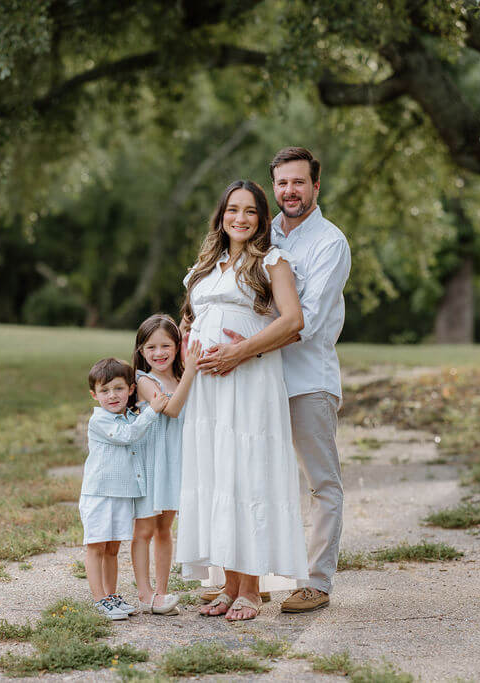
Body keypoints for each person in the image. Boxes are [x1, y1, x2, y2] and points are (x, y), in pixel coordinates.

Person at [196, 147, 351, 613]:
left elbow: (307, 320)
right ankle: (248, 577)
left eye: (299, 182)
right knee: (248, 475)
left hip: (305, 378)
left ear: (316, 186)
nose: (290, 191)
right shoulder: (262, 235)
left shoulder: (330, 243)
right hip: (255, 381)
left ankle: (315, 582)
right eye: (282, 183)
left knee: (320, 482)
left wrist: (239, 350)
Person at [176, 179, 309, 622]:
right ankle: (228, 585)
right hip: (207, 387)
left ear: (262, 219)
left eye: (250, 211)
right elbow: (191, 317)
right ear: (221, 215)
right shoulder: (205, 265)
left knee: (246, 472)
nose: (240, 218)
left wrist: (239, 351)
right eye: (233, 209)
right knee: (217, 474)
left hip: (248, 379)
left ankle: (250, 589)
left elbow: (293, 321)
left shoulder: (272, 261)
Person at [80, 357, 168, 621]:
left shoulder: (130, 416)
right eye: (104, 391)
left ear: (131, 389)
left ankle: (111, 594)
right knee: (96, 547)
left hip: (122, 495)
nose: (112, 395)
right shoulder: (100, 421)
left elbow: (137, 434)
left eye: (118, 388)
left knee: (112, 549)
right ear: (94, 395)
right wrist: (153, 411)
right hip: (99, 494)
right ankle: (99, 599)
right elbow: (128, 436)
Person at [129, 314, 202, 615]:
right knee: (143, 530)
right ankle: (145, 593)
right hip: (150, 463)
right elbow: (171, 409)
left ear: (177, 346)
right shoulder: (143, 379)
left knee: (165, 530)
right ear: (141, 352)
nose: (158, 353)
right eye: (151, 347)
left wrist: (185, 332)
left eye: (166, 346)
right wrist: (191, 371)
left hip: (174, 463)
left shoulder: (180, 375)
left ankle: (162, 591)